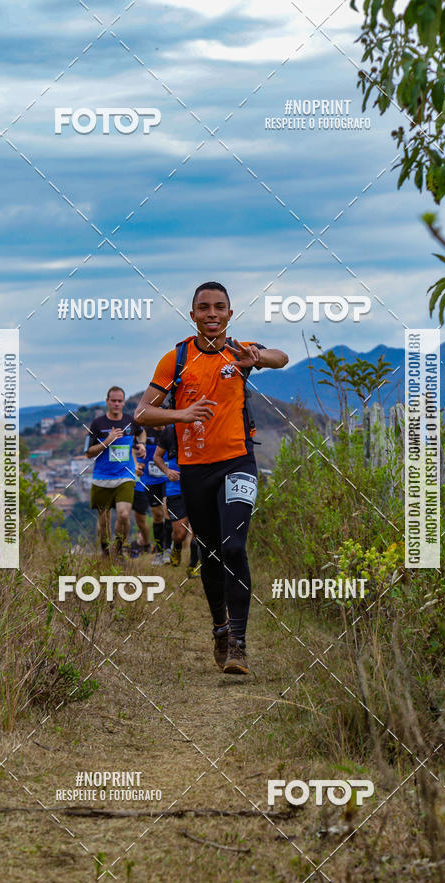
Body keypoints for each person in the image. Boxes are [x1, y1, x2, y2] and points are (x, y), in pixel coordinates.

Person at [135, 281, 288, 674]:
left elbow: (282, 357)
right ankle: (220, 628)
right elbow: (143, 413)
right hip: (194, 469)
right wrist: (181, 415)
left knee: (234, 547)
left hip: (238, 462)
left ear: (230, 314)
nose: (212, 314)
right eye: (204, 308)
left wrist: (260, 357)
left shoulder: (239, 351)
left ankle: (238, 643)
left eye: (220, 307)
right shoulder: (176, 360)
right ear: (193, 315)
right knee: (211, 553)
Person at [84, 386, 146, 557]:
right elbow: (88, 453)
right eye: (113, 401)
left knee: (124, 515)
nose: (117, 404)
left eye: (120, 401)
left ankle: (118, 550)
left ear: (124, 402)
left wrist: (141, 444)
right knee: (104, 521)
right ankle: (105, 552)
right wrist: (108, 441)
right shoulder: (98, 424)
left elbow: (141, 433)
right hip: (102, 478)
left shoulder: (131, 421)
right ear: (107, 401)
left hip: (125, 475)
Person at [153, 423, 200, 576]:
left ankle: (193, 566)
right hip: (176, 488)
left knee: (198, 530)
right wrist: (167, 471)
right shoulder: (169, 431)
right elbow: (157, 457)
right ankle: (176, 547)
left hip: (199, 486)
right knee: (180, 533)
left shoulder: (202, 427)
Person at [131, 425, 169, 565]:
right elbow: (137, 454)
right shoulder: (145, 433)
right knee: (157, 515)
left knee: (167, 511)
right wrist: (138, 466)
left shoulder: (170, 430)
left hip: (168, 477)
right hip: (150, 480)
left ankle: (168, 549)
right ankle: (159, 550)